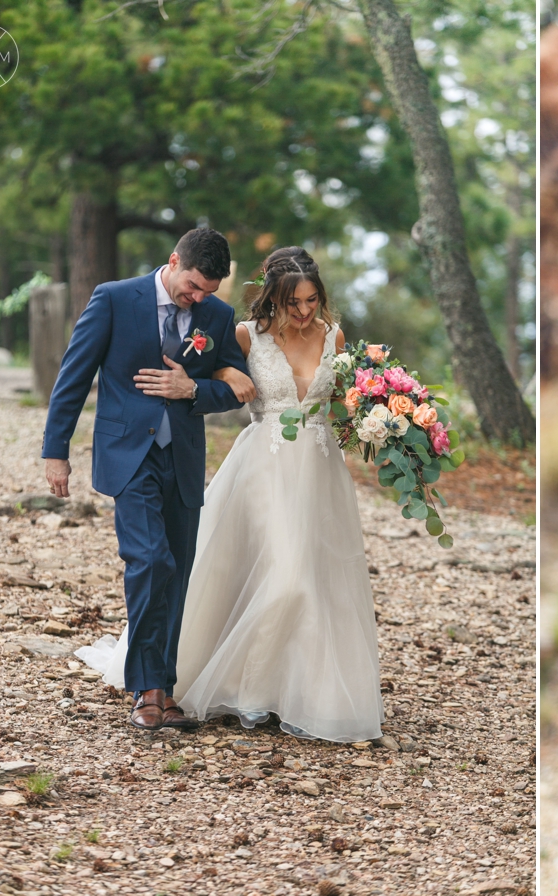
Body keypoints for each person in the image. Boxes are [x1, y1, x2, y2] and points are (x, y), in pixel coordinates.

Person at [99, 246, 383, 742]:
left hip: (320, 470)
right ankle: (242, 687)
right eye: (293, 301)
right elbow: (212, 377)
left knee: (318, 579)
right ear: (273, 296)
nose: (303, 311)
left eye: (312, 300)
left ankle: (300, 693)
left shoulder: (335, 336)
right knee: (287, 576)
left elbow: (342, 405)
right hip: (263, 467)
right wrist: (221, 375)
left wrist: (386, 419)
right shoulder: (244, 333)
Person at [44, 227, 255, 731]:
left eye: (208, 290)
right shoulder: (114, 299)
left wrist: (192, 390)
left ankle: (163, 683)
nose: (197, 296)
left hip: (182, 460)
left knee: (178, 573)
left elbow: (237, 386)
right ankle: (147, 688)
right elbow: (73, 377)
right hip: (129, 455)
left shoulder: (218, 317)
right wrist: (57, 452)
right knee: (151, 561)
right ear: (174, 260)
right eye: (193, 285)